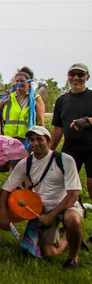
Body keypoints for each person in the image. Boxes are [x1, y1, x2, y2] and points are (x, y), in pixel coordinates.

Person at [0, 126, 84, 269]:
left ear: (48, 141)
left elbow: (73, 195)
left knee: (72, 219)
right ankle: (68, 239)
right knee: (49, 253)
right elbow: (5, 190)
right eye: (32, 140)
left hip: (66, 204)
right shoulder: (25, 163)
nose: (35, 143)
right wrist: (3, 216)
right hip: (41, 210)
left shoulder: (65, 160)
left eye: (40, 139)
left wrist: (52, 215)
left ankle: (73, 258)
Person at [50, 63, 92, 200]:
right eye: (72, 74)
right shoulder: (62, 100)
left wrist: (87, 121)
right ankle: (70, 212)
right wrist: (49, 152)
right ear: (68, 77)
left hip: (91, 147)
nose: (76, 78)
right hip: (71, 148)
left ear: (87, 77)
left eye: (80, 75)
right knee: (63, 185)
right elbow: (57, 128)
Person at [2, 70, 46, 142]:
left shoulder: (35, 99)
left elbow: (41, 122)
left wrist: (41, 140)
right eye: (17, 81)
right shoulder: (7, 96)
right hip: (8, 139)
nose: (19, 83)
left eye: (22, 81)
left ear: (28, 83)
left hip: (28, 139)